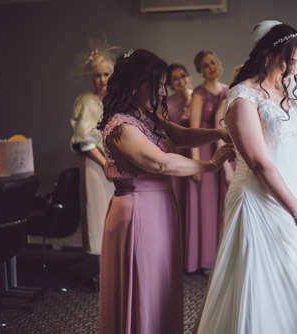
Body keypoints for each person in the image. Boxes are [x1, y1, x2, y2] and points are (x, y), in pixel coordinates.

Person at [195, 20, 297, 334]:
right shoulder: (242, 97)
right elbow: (259, 162)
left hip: (294, 199)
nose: (293, 70)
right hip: (257, 200)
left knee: (295, 280)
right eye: (289, 61)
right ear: (268, 55)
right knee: (257, 283)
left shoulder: (290, 92)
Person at [96, 48, 235, 334]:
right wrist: (210, 165)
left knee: (162, 283)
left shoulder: (147, 118)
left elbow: (179, 135)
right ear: (136, 84)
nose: (162, 91)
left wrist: (218, 133)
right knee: (144, 284)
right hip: (138, 212)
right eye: (158, 84)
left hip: (160, 207)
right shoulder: (121, 125)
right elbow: (158, 163)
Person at [69, 36, 118, 268]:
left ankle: (118, 267)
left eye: (105, 74)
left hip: (117, 163)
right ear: (92, 77)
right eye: (97, 75)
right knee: (98, 215)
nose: (101, 79)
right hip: (95, 165)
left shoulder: (118, 100)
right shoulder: (85, 101)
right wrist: (104, 163)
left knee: (118, 215)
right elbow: (83, 140)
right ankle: (101, 273)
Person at [184, 49, 233, 273]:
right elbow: (194, 131)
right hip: (204, 151)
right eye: (205, 65)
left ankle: (222, 257)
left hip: (223, 150)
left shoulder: (227, 90)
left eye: (213, 62)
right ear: (199, 71)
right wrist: (195, 164)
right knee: (206, 206)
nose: (211, 67)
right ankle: (204, 260)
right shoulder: (198, 94)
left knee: (222, 204)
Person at [165, 63, 193, 232]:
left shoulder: (198, 96)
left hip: (197, 152)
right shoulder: (168, 104)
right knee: (178, 196)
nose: (180, 81)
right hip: (176, 152)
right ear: (170, 84)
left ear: (188, 77)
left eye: (183, 76)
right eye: (175, 79)